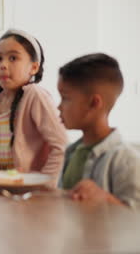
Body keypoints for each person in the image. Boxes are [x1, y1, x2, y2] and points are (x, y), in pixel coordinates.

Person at [0, 29, 67, 180]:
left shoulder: (35, 96)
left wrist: (44, 184)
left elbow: (61, 146)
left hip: (32, 195)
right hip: (6, 191)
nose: (3, 65)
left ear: (34, 67)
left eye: (13, 58)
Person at [57, 53, 140, 208]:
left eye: (65, 98)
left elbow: (135, 217)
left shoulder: (126, 161)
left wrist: (106, 200)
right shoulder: (71, 152)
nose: (59, 107)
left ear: (94, 103)